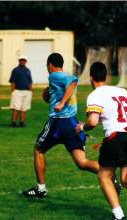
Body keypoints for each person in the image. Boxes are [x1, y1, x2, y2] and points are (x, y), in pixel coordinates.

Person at [22, 53, 100, 198]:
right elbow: (68, 84)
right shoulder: (60, 77)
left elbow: (72, 81)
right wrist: (53, 95)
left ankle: (41, 188)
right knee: (81, 162)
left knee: (38, 150)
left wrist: (62, 102)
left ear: (50, 65)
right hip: (72, 123)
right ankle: (107, 173)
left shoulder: (54, 75)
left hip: (57, 122)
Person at [75, 62, 127, 220]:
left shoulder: (95, 94)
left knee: (104, 176)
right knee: (126, 180)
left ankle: (118, 216)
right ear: (106, 76)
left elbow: (92, 121)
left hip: (116, 139)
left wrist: (81, 128)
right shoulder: (123, 91)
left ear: (91, 78)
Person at [9, 55, 33, 128]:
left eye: (24, 60)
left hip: (27, 91)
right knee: (16, 107)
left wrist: (31, 90)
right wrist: (13, 91)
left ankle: (22, 122)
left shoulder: (28, 70)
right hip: (17, 91)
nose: (23, 61)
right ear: (19, 61)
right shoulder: (15, 70)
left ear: (26, 61)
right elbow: (12, 81)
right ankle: (14, 122)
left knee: (24, 108)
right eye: (21, 60)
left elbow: (30, 81)